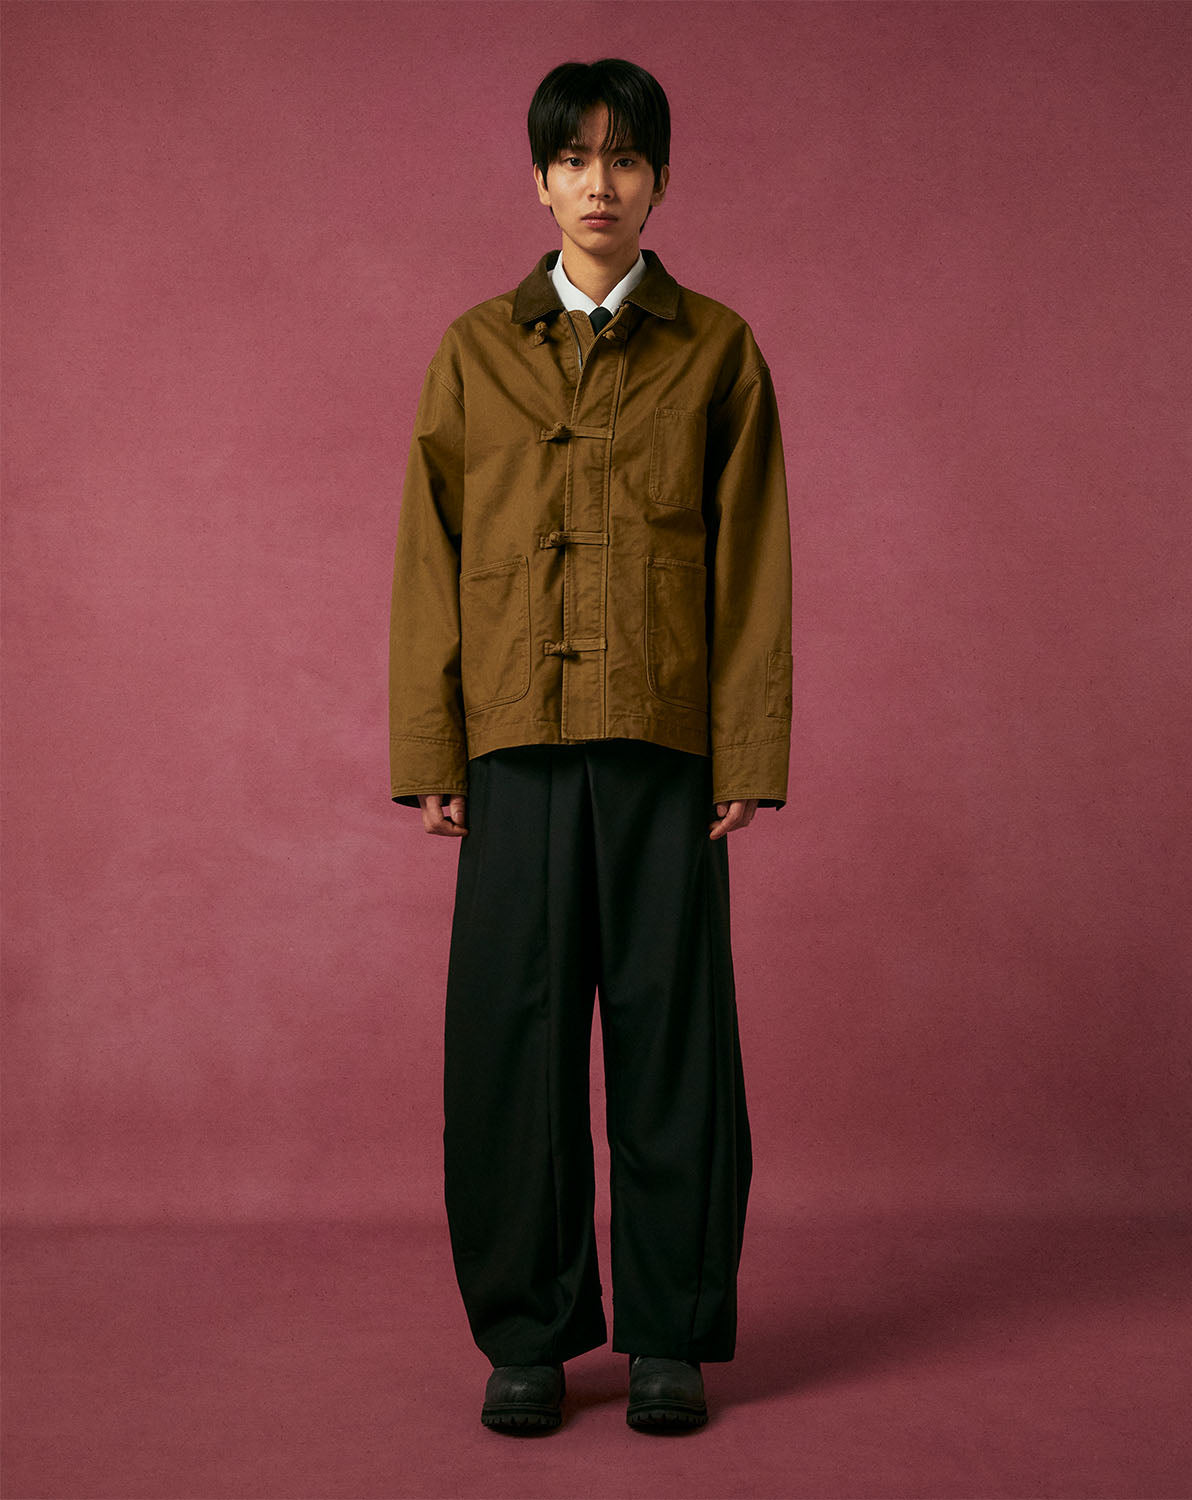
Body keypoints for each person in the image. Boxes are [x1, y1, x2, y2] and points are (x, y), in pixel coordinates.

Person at [388, 57, 792, 1433]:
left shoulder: (718, 350)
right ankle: (531, 1333)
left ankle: (670, 1329)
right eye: (577, 159)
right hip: (511, 735)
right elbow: (426, 562)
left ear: (661, 179)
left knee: (676, 1036)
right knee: (511, 1037)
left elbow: (753, 568)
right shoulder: (472, 351)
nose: (601, 184)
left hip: (664, 741)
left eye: (628, 160)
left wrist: (742, 749)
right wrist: (431, 741)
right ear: (540, 178)